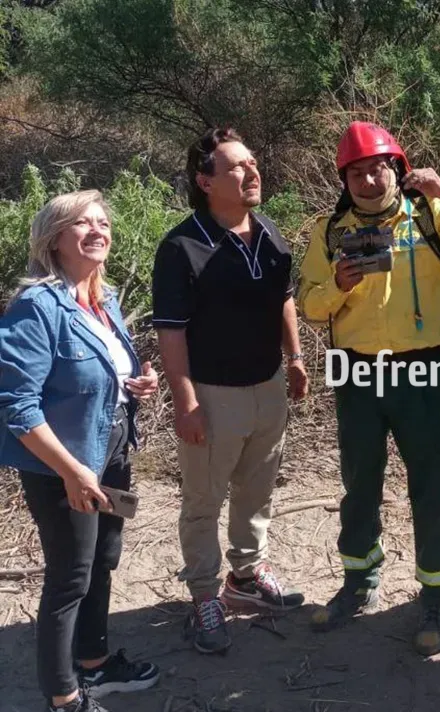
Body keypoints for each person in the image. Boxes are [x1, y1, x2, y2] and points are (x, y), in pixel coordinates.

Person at [299, 121, 440, 655]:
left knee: (432, 486)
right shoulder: (328, 229)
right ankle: (359, 584)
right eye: (357, 172)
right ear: (344, 178)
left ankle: (436, 595)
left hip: (421, 371)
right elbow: (309, 307)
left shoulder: (430, 216)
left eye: (378, 168)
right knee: (359, 483)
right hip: (357, 373)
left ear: (397, 167)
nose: (368, 180)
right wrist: (338, 286)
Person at [0, 190, 161, 712]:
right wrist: (71, 471)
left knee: (102, 561)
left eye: (102, 222)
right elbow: (16, 405)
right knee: (70, 576)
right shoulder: (37, 306)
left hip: (109, 448)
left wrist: (140, 384)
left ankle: (94, 663)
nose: (97, 230)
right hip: (60, 465)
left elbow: (102, 377)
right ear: (54, 239)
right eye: (81, 224)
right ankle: (62, 701)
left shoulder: (104, 298)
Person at [152, 127, 309, 656]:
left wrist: (296, 358)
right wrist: (187, 403)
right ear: (205, 180)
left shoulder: (269, 232)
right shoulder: (182, 247)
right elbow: (171, 330)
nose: (251, 171)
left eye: (252, 162)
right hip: (213, 396)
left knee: (256, 490)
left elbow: (284, 298)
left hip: (268, 387)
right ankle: (204, 595)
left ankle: (245, 578)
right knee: (203, 502)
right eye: (237, 166)